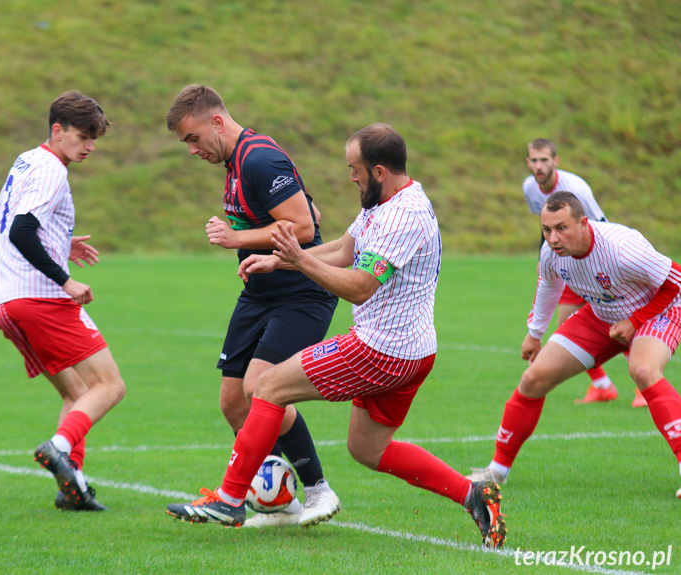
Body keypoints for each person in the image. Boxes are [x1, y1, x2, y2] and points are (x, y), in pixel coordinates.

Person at [166, 123, 507, 548]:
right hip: (413, 351)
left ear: (379, 170)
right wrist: (281, 262)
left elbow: (360, 284)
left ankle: (231, 498)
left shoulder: (402, 216)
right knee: (369, 450)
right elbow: (346, 248)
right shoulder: (385, 201)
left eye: (355, 170)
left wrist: (298, 262)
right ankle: (472, 494)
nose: (351, 177)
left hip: (380, 349)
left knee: (267, 387)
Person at [165, 84, 341, 527]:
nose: (191, 150)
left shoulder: (260, 158)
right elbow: (313, 212)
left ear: (217, 122)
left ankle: (318, 489)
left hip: (301, 292)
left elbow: (303, 226)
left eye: (193, 138)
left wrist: (236, 239)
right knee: (233, 402)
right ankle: (279, 499)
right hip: (260, 294)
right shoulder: (236, 162)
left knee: (263, 387)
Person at [468, 192, 681, 498]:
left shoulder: (622, 248)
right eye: (546, 230)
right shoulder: (551, 253)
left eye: (561, 228)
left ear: (583, 223)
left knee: (643, 370)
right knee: (533, 379)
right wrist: (535, 333)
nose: (553, 238)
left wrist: (636, 321)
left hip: (659, 309)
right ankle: (497, 471)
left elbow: (677, 282)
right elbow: (548, 286)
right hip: (601, 315)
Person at [0, 91, 126, 511]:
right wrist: (65, 280)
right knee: (110, 386)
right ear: (57, 130)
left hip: (7, 302)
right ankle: (60, 447)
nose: (90, 147)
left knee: (79, 390)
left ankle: (74, 487)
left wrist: (59, 243)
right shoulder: (52, 171)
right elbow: (21, 231)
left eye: (93, 139)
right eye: (83, 137)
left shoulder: (26, 160)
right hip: (41, 297)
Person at [522, 139, 640, 406]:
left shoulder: (574, 189)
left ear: (556, 161)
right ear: (528, 162)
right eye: (534, 160)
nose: (539, 166)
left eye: (544, 160)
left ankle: (640, 383)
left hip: (597, 259)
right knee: (571, 325)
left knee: (617, 319)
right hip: (567, 260)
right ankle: (603, 385)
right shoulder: (530, 187)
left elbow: (595, 227)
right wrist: (547, 256)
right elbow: (547, 225)